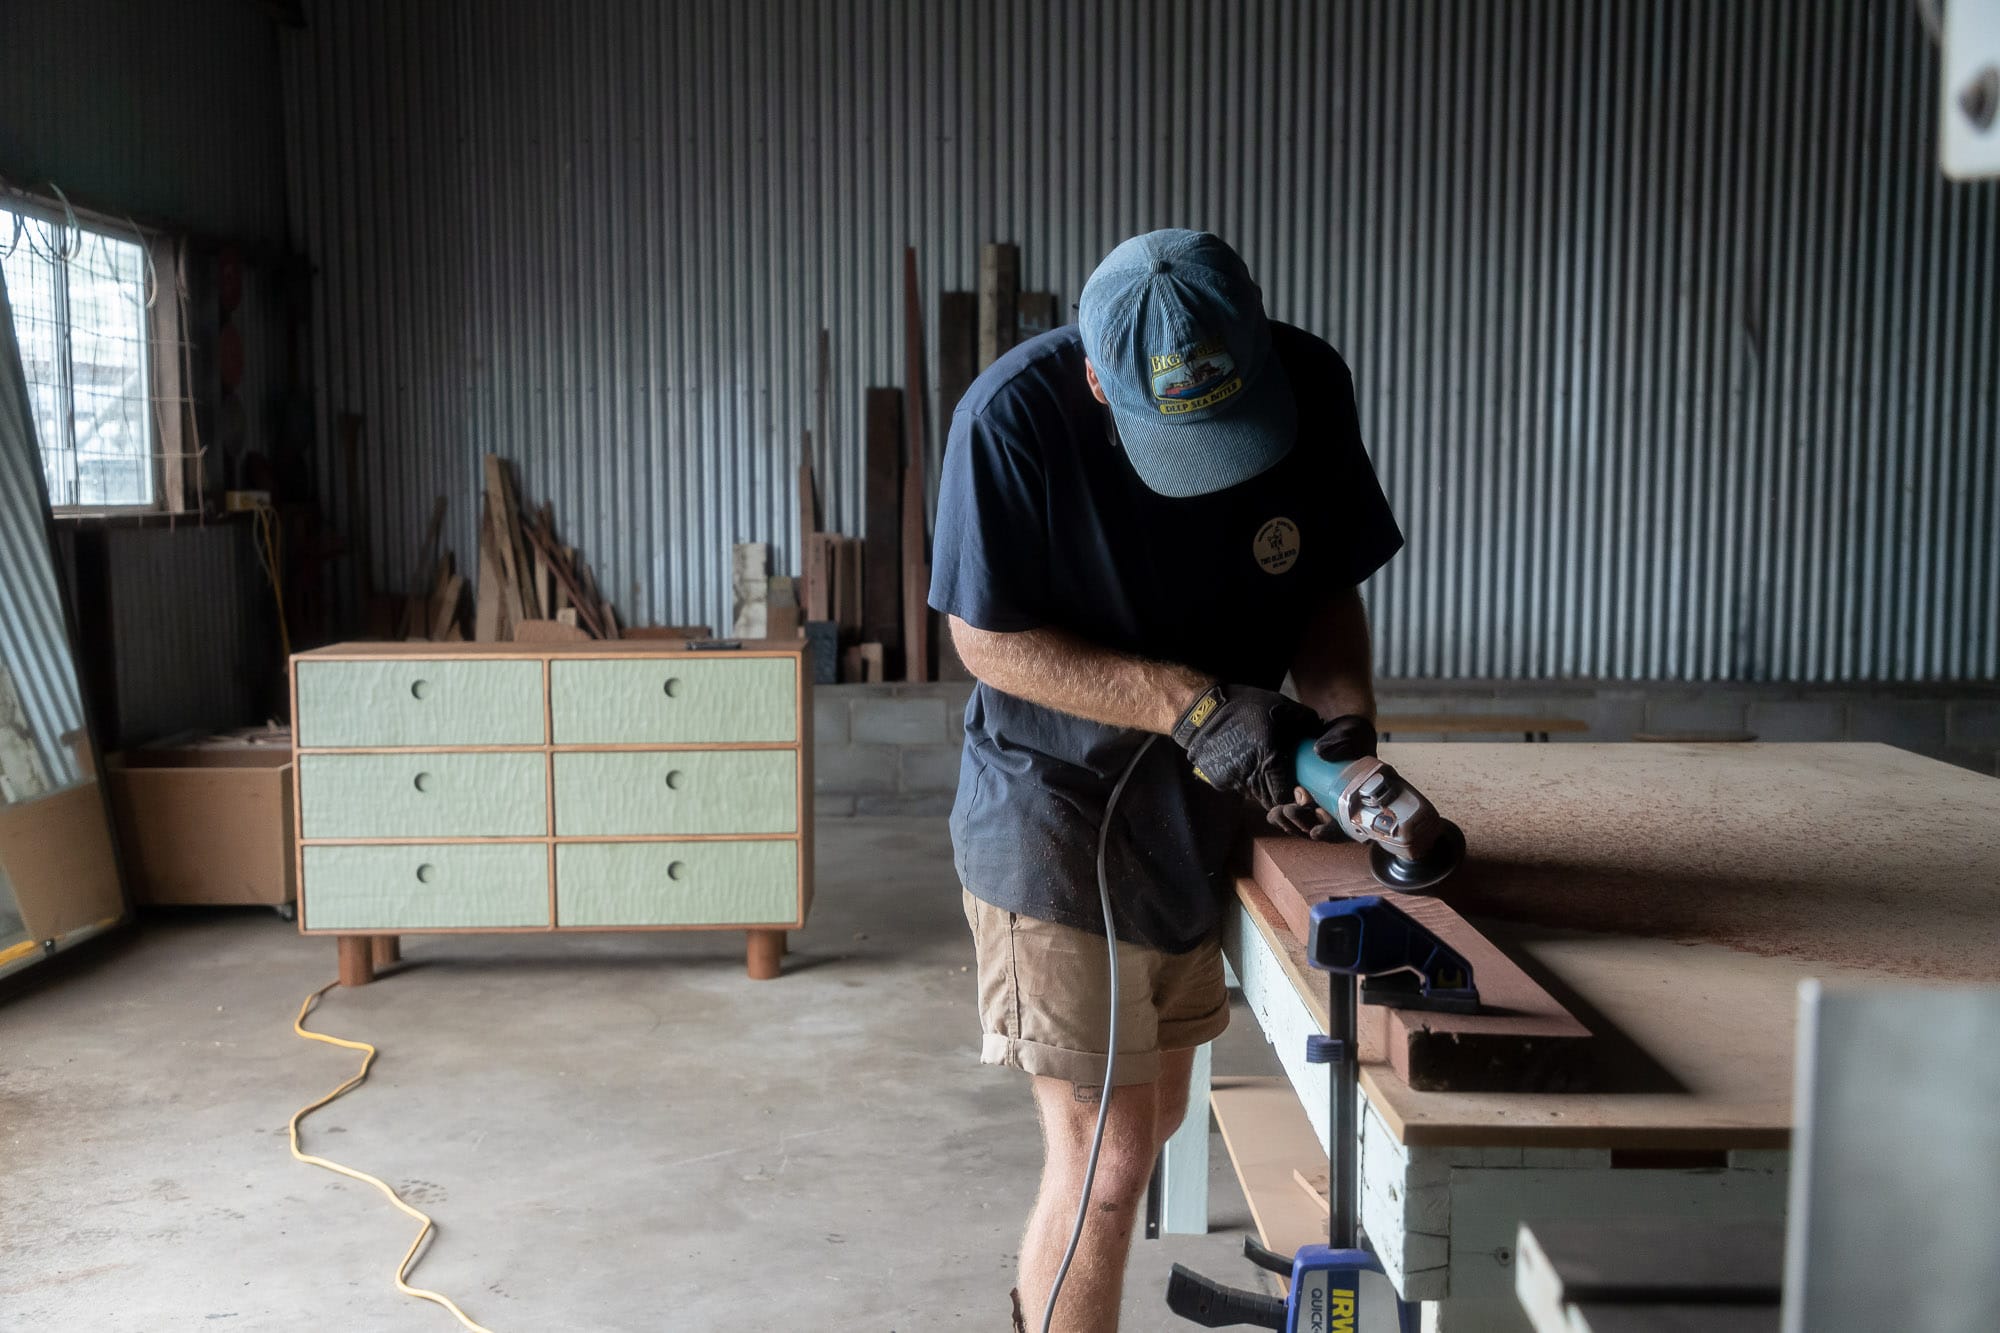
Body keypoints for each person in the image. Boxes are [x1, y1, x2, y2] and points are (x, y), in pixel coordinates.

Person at [927, 228, 1405, 1331]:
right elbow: (984, 638)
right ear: (1096, 376)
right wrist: (1187, 705)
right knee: (1108, 1158)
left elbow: (1324, 587)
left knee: (1159, 1115)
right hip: (1054, 816)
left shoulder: (1310, 383)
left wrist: (1345, 736)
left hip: (1199, 808)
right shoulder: (1009, 422)